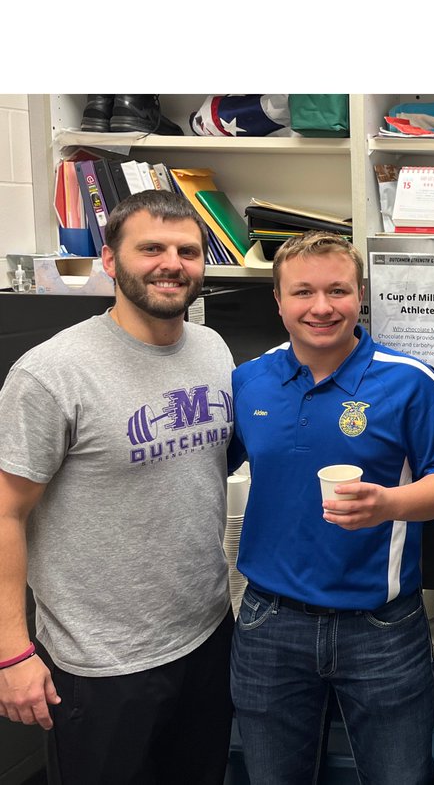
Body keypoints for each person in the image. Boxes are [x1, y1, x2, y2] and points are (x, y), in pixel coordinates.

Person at [0, 190, 235, 785]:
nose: (171, 264)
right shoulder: (50, 373)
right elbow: (5, 514)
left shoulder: (213, 350)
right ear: (110, 261)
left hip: (206, 634)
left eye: (187, 250)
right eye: (150, 248)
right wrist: (12, 651)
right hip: (100, 662)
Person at [228, 229, 434, 785]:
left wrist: (390, 503)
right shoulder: (247, 382)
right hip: (269, 624)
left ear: (361, 294)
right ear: (278, 300)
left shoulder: (408, 381)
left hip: (381, 626)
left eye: (337, 290)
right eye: (303, 292)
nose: (321, 307)